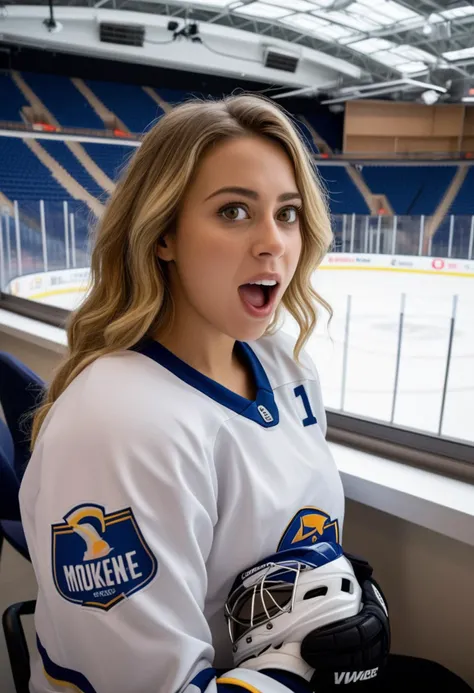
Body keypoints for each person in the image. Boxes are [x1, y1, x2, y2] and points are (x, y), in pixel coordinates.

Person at [20, 94, 471, 693]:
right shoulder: (118, 424)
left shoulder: (282, 362)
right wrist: (304, 668)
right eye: (233, 212)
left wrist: (335, 600)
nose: (273, 243)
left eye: (286, 213)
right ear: (163, 235)